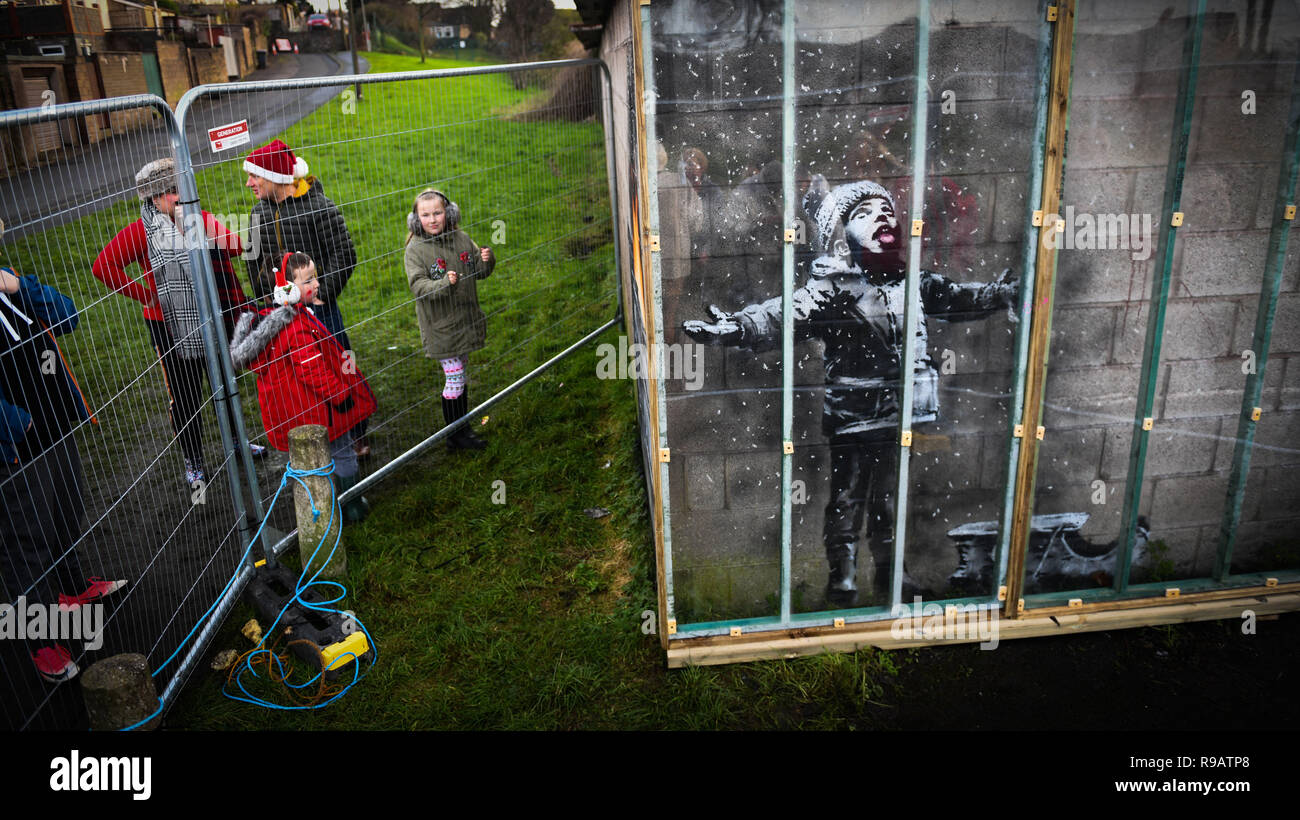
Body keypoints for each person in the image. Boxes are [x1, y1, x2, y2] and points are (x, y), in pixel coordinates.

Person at [683, 180, 1018, 607]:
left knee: (890, 498)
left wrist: (997, 294)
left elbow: (956, 298)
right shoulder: (832, 290)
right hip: (854, 418)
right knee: (847, 498)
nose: (881, 215)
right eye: (863, 213)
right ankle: (841, 580)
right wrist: (739, 326)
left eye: (885, 209)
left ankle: (891, 576)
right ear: (840, 236)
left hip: (900, 416)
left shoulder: (912, 282)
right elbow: (783, 314)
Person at [2, 219, 126, 683]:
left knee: (65, 509)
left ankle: (73, 587)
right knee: (24, 541)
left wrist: (20, 286)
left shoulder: (11, 286)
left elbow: (68, 314)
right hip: (17, 445)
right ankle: (40, 640)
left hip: (56, 423)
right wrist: (20, 421)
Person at [92, 158, 264, 486]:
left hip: (211, 315)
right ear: (153, 199)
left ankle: (238, 443)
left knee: (225, 383)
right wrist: (146, 296)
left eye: (179, 189)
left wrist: (200, 220)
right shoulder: (141, 231)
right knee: (185, 394)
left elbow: (236, 246)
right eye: (169, 192)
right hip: (168, 324)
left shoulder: (197, 219)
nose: (176, 197)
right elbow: (103, 267)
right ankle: (193, 459)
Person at [242, 140, 370, 459]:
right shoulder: (257, 213)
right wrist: (269, 295)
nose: (249, 183)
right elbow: (252, 262)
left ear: (274, 176)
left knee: (339, 364)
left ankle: (356, 430)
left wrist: (322, 295)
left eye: (254, 176)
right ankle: (319, 433)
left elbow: (345, 252)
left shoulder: (319, 206)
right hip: (284, 316)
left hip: (319, 312)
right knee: (302, 374)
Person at [229, 252, 376, 523]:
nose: (316, 284)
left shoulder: (287, 318)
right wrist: (340, 394)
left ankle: (317, 511)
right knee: (342, 449)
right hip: (321, 407)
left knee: (306, 463)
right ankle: (352, 504)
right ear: (288, 290)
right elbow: (312, 369)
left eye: (315, 277)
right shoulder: (297, 328)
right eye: (308, 280)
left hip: (299, 409)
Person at [403, 189, 496, 453]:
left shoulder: (461, 238)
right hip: (441, 327)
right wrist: (444, 283)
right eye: (425, 214)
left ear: (449, 213)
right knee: (454, 378)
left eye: (438, 213)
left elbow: (478, 270)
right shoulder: (415, 250)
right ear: (416, 218)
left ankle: (462, 429)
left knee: (461, 376)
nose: (432, 219)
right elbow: (418, 286)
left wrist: (487, 261)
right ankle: (455, 435)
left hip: (465, 320)